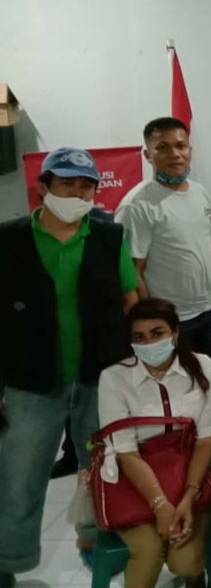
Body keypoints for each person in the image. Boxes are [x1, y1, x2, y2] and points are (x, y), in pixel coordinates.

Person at [0, 147, 138, 586]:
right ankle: (8, 559)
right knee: (19, 475)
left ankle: (96, 541)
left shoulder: (108, 237)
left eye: (85, 186)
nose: (77, 193)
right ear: (43, 187)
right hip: (29, 383)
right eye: (66, 184)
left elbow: (131, 299)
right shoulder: (9, 239)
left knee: (101, 468)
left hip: (99, 377)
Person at [97, 299, 211, 588]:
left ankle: (195, 575)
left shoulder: (202, 367)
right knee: (148, 550)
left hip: (188, 474)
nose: (149, 343)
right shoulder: (114, 379)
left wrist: (188, 498)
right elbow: (127, 453)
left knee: (185, 562)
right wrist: (160, 505)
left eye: (157, 333)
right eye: (139, 337)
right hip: (134, 481)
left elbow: (206, 439)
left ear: (175, 333)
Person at [116, 118, 211, 359]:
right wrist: (155, 322)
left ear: (190, 150)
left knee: (207, 376)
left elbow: (210, 248)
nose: (175, 154)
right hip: (171, 321)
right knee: (174, 380)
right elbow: (132, 271)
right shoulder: (137, 205)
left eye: (181, 146)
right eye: (163, 147)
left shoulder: (200, 192)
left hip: (209, 311)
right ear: (148, 155)